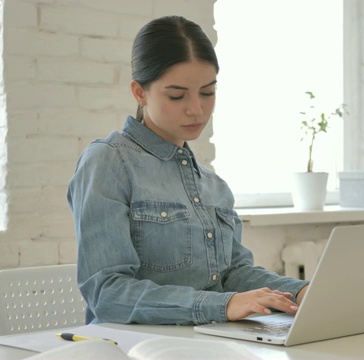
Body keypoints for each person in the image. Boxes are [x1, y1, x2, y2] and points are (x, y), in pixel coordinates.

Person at [67, 15, 309, 325]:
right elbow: (108, 294)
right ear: (139, 93)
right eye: (177, 96)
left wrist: (301, 293)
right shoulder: (108, 162)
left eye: (208, 93)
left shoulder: (211, 184)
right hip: (132, 347)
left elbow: (233, 273)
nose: (197, 109)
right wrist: (221, 305)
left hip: (206, 343)